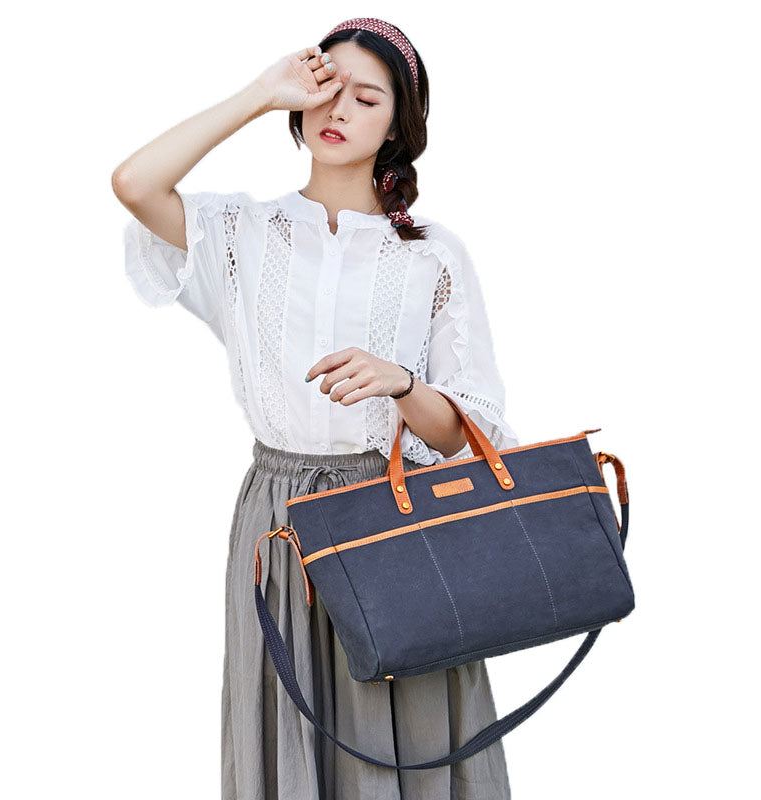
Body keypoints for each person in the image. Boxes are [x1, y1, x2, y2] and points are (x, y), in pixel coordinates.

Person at [113, 16, 519, 800]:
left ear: (398, 125)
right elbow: (134, 183)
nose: (338, 110)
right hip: (279, 517)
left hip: (396, 512)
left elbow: (466, 435)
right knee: (289, 728)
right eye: (326, 88)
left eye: (366, 99)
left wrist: (402, 383)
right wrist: (260, 93)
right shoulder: (242, 233)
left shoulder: (431, 253)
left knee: (409, 727)